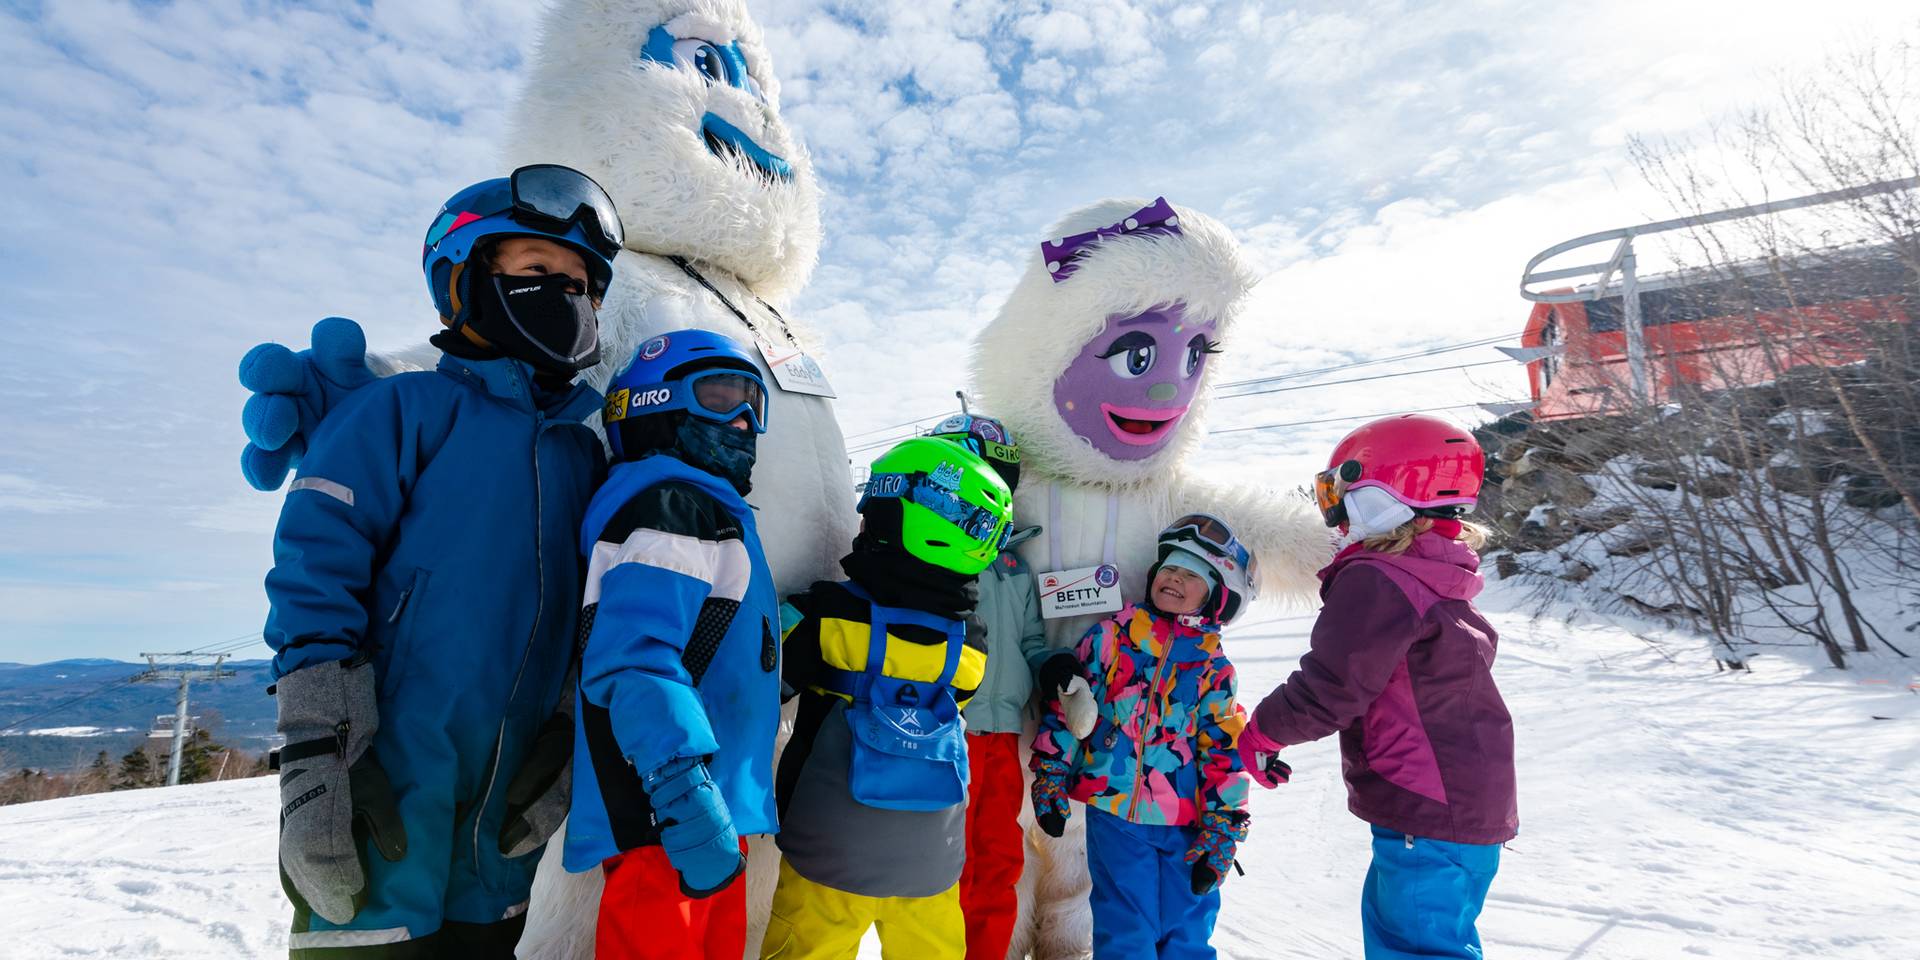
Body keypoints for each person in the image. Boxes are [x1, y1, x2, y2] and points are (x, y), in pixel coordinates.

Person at [261, 164, 622, 958]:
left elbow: (597, 608)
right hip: (381, 779)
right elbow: (315, 568)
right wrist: (318, 751)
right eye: (539, 270)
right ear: (463, 279)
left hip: (505, 813)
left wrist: (566, 731)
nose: (566, 296)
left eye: (580, 286)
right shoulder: (403, 409)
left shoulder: (583, 451)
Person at [1236, 414, 1518, 960]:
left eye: (1341, 493)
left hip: (1430, 809)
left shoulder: (1380, 578)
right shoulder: (1435, 574)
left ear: (1385, 495)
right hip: (1460, 808)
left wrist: (1262, 734)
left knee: (1415, 948)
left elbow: (1333, 685)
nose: (1337, 513)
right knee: (1429, 943)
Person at [560, 330, 782, 960]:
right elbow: (636, 661)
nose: (743, 422)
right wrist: (682, 793)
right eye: (720, 397)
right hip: (669, 812)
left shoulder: (706, 511)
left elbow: (714, 637)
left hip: (708, 808)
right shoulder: (671, 507)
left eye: (753, 405)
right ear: (652, 404)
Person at [760, 437, 1014, 960]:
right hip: (933, 859)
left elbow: (770, 683)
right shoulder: (971, 643)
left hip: (828, 850)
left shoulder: (827, 615)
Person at [1028, 515, 1256, 960]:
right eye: (1170, 568)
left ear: (1217, 596)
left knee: (1187, 931)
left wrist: (1224, 825)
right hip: (1115, 812)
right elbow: (1071, 706)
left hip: (1187, 822)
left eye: (1191, 574)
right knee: (1124, 927)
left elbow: (1224, 748)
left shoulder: (1213, 668)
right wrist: (1051, 772)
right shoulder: (1112, 637)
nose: (1175, 578)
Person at [923, 412, 1047, 960]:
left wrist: (1054, 668)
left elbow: (1032, 639)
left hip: (1003, 735)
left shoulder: (1015, 565)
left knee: (999, 857)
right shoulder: (932, 551)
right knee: (945, 858)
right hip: (946, 729)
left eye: (1003, 478)